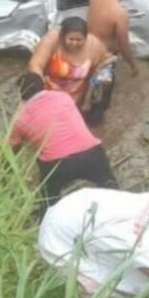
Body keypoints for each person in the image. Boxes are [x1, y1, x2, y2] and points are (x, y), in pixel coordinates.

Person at [8, 73, 118, 210]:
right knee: (112, 191)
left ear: (20, 94)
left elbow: (11, 151)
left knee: (49, 204)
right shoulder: (63, 97)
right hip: (92, 153)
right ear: (43, 85)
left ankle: (45, 218)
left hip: (57, 165)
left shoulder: (21, 119)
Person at [85, 0, 140, 125]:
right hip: (105, 60)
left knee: (87, 91)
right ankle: (96, 129)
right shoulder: (119, 13)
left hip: (88, 51)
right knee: (100, 101)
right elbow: (123, 45)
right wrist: (133, 64)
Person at [28, 16, 108, 113]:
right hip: (49, 94)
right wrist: (40, 94)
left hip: (75, 98)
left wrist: (88, 99)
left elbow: (101, 69)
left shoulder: (95, 46)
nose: (74, 43)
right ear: (62, 36)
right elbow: (35, 65)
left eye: (79, 40)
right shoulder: (52, 40)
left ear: (85, 38)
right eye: (71, 39)